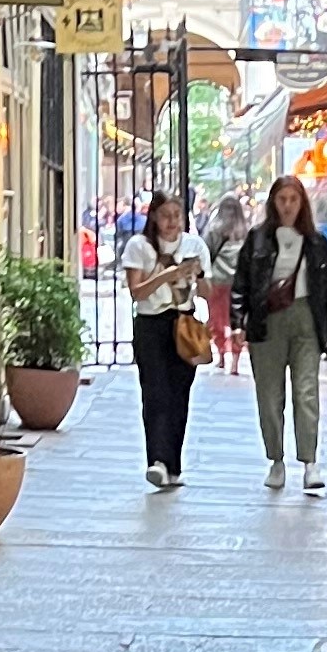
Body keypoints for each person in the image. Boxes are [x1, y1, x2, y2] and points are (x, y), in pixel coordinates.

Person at [235, 170, 327, 494]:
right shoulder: (258, 239)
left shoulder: (316, 242)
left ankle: (310, 462)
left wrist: (326, 328)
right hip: (267, 319)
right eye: (282, 199)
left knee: (306, 391)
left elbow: (326, 287)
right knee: (269, 394)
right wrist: (238, 321)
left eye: (293, 199)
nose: (288, 205)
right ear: (273, 202)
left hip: (306, 318)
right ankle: (276, 460)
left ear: (302, 203)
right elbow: (242, 281)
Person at [120, 190, 206, 489]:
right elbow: (137, 292)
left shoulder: (194, 245)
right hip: (151, 323)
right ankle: (156, 460)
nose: (172, 222)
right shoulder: (139, 246)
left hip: (184, 322)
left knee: (179, 394)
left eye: (177, 216)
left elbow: (208, 288)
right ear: (154, 217)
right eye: (166, 215)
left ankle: (173, 465)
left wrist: (196, 276)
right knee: (155, 391)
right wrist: (166, 275)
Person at [204, 192, 248, 375]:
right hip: (239, 283)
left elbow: (206, 254)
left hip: (217, 281)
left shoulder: (213, 230)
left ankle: (222, 355)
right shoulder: (245, 231)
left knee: (217, 321)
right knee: (237, 321)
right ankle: (235, 361)